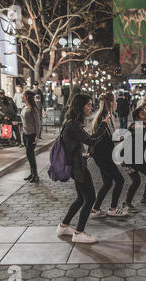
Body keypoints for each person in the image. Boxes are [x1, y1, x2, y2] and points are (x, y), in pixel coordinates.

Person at [57, 94, 108, 243]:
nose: (91, 107)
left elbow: (75, 145)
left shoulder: (72, 123)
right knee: (90, 198)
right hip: (77, 168)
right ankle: (79, 233)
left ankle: (64, 226)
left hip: (77, 164)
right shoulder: (72, 124)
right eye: (88, 105)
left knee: (81, 198)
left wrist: (83, 154)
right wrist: (103, 125)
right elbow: (92, 140)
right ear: (80, 107)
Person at [89, 92, 128, 218]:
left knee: (108, 183)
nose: (116, 103)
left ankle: (95, 210)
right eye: (115, 100)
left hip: (102, 154)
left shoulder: (105, 115)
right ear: (110, 102)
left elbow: (111, 137)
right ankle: (113, 208)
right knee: (120, 180)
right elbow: (108, 137)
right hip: (103, 155)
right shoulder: (105, 116)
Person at [122, 107, 146, 210]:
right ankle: (127, 203)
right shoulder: (135, 126)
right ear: (137, 117)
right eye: (143, 114)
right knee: (136, 180)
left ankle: (145, 198)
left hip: (138, 158)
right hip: (127, 160)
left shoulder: (143, 126)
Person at [20, 90, 41, 183]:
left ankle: (35, 175)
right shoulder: (24, 107)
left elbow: (37, 123)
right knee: (29, 155)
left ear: (27, 97)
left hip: (32, 135)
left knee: (30, 154)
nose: (21, 97)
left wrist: (37, 136)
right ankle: (32, 173)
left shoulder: (33, 109)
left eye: (23, 96)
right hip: (25, 134)